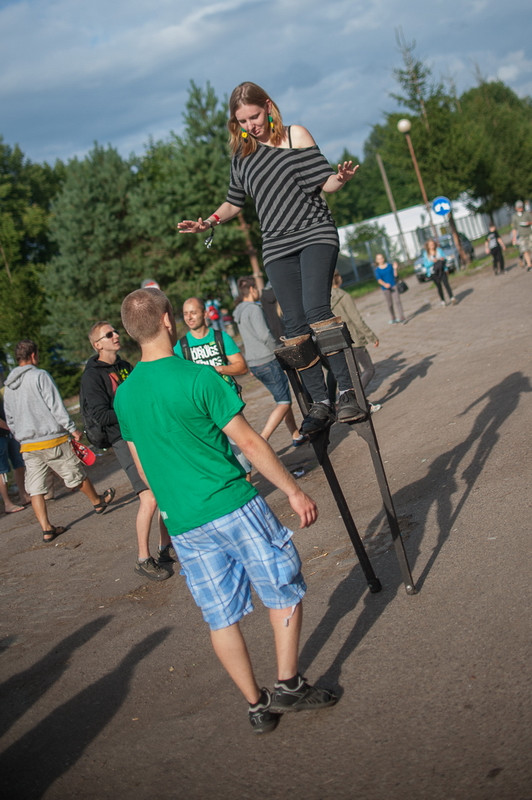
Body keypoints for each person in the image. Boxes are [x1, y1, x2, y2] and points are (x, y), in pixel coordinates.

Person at [114, 288, 337, 735]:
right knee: (282, 583)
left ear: (130, 332)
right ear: (168, 322)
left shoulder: (126, 395)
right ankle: (289, 684)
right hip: (232, 502)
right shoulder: (198, 377)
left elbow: (142, 469)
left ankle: (256, 704)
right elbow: (250, 443)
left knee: (220, 614)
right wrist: (293, 490)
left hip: (185, 522)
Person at [178, 81, 366, 437]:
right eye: (243, 120)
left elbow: (323, 180)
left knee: (316, 310)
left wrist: (339, 179)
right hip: (277, 244)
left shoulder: (295, 135)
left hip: (315, 232)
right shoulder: (242, 157)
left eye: (255, 116)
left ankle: (347, 391)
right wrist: (208, 221)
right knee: (292, 325)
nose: (251, 125)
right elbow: (234, 202)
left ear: (268, 106)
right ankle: (319, 402)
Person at [80, 321, 174, 581]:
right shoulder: (92, 376)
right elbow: (100, 414)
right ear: (97, 344)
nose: (115, 335)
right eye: (108, 334)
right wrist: (133, 413)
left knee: (162, 487)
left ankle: (165, 547)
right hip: (122, 440)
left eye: (115, 331)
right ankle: (143, 559)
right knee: (149, 497)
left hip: (143, 435)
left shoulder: (124, 366)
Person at [3, 340, 115, 542]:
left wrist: (20, 436)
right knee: (75, 473)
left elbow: (9, 418)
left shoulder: (8, 387)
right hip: (52, 439)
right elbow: (55, 405)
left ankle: (46, 528)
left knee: (35, 488)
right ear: (33, 356)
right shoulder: (40, 376)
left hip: (28, 445)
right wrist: (72, 429)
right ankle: (98, 502)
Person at [175, 297, 252, 478]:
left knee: (241, 451)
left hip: (227, 402)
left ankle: (248, 490)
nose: (189, 317)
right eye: (185, 314)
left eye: (193, 312)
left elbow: (241, 366)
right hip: (200, 408)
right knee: (215, 454)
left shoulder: (220, 337)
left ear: (205, 313)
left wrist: (215, 369)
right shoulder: (181, 346)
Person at [233, 276, 307, 447]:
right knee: (284, 402)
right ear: (252, 290)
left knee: (281, 398)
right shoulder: (253, 309)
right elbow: (264, 335)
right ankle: (263, 438)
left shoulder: (239, 312)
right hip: (267, 360)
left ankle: (296, 434)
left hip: (254, 362)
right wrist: (277, 349)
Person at [328, 271, 381, 413]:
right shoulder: (344, 296)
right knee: (369, 369)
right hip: (354, 339)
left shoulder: (325, 299)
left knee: (353, 374)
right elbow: (356, 319)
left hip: (337, 341)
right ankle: (354, 399)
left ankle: (357, 402)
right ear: (338, 278)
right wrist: (371, 336)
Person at [0, 365, 31, 512]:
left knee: (19, 463)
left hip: (9, 433)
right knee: (2, 471)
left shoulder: (3, 391)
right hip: (3, 435)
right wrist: (11, 427)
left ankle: (23, 494)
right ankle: (7, 503)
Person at [420, 239, 456, 306]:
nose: (432, 246)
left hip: (442, 270)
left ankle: (452, 298)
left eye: (433, 244)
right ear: (428, 246)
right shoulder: (426, 254)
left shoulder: (439, 250)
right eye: (430, 245)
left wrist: (443, 261)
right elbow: (426, 265)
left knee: (446, 284)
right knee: (439, 287)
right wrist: (432, 261)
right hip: (434, 273)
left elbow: (444, 259)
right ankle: (443, 301)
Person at [374, 253, 407, 323]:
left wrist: (395, 268)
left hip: (394, 285)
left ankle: (402, 317)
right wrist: (385, 284)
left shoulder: (389, 266)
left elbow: (395, 275)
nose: (381, 260)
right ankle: (393, 317)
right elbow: (379, 280)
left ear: (384, 258)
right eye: (379, 259)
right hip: (385, 289)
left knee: (398, 301)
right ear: (377, 261)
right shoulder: (377, 270)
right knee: (390, 304)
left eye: (381, 258)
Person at [511, 200, 532, 270]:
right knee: (524, 250)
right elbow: (514, 228)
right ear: (516, 208)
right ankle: (529, 264)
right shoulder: (514, 217)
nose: (521, 208)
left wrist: (528, 223)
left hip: (529, 233)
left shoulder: (527, 214)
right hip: (521, 236)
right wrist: (514, 238)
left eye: (521, 207)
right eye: (519, 207)